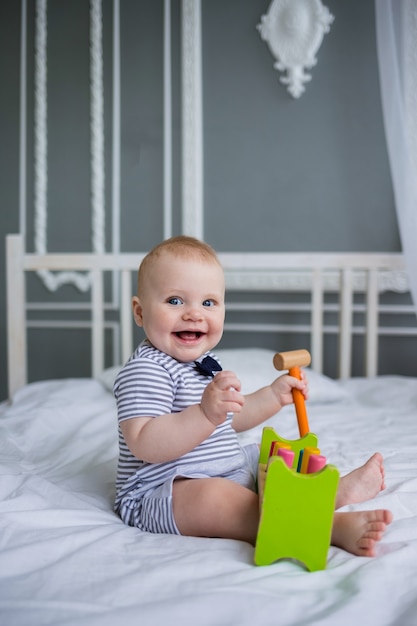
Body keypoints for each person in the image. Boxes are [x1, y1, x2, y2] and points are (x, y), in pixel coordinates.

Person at [114, 235, 392, 557]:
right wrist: (205, 414)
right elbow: (145, 443)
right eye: (175, 301)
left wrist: (272, 396)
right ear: (139, 312)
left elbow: (231, 419)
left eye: (208, 303)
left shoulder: (204, 366)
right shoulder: (147, 370)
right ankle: (327, 524)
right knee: (214, 498)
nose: (193, 314)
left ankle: (319, 492)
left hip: (225, 471)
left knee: (274, 457)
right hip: (161, 493)